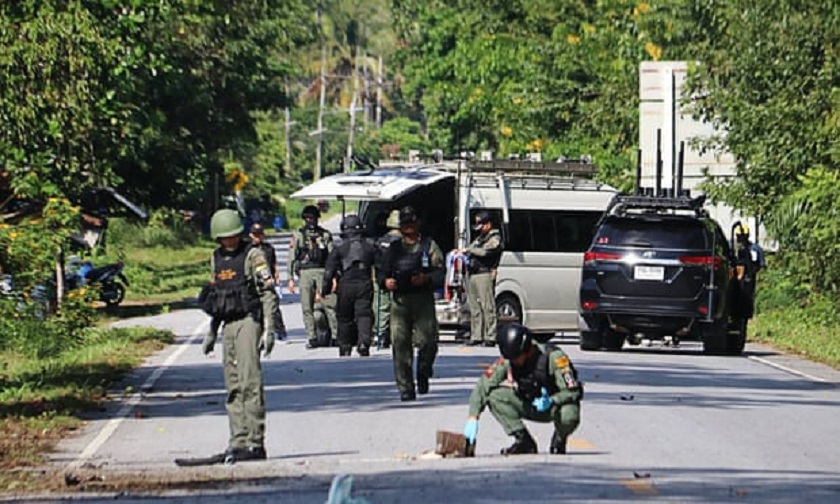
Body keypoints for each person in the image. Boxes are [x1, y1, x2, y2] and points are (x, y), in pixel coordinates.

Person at [200, 209, 277, 462]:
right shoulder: (216, 259)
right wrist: (211, 331)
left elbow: (267, 293)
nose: (229, 241)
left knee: (249, 381)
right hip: (227, 325)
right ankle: (238, 440)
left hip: (248, 321)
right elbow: (217, 297)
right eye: (224, 238)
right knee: (233, 385)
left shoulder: (253, 256)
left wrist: (269, 329)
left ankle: (255, 442)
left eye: (233, 236)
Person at [463, 323, 583, 455]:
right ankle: (524, 441)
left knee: (570, 413)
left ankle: (560, 437)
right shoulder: (510, 358)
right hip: (527, 403)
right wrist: (473, 417)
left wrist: (552, 400)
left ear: (527, 350)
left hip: (553, 407)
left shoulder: (555, 357)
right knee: (494, 396)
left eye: (516, 358)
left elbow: (573, 391)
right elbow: (483, 385)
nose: (513, 361)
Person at [379, 206, 445, 401]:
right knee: (400, 344)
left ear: (418, 224)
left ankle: (424, 372)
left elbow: (441, 272)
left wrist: (426, 278)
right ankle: (405, 387)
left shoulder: (428, 245)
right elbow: (382, 272)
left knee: (428, 342)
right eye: (404, 223)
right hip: (400, 301)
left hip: (422, 299)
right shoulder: (394, 249)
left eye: (411, 222)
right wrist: (385, 282)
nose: (408, 227)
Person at [323, 214, 377, 357]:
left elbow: (329, 272)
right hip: (364, 282)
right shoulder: (370, 246)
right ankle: (364, 342)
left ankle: (345, 346)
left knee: (344, 317)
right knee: (364, 313)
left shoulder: (339, 248)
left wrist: (325, 289)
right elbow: (382, 265)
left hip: (346, 284)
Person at [288, 204, 338, 348]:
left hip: (322, 271)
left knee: (329, 305)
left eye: (313, 218)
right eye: (308, 218)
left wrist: (333, 276)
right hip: (305, 273)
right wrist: (290, 278)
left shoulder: (325, 234)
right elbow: (292, 257)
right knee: (307, 306)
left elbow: (331, 256)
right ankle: (311, 337)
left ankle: (335, 336)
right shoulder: (299, 235)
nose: (311, 221)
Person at [461, 210, 503, 347]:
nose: (480, 228)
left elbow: (485, 252)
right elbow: (471, 247)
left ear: (488, 224)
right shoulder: (480, 237)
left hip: (484, 274)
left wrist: (469, 250)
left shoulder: (494, 238)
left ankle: (490, 336)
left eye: (482, 224)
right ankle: (476, 335)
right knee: (474, 307)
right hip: (473, 274)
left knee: (487, 306)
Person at [249, 223, 288, 341]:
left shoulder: (268, 248)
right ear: (250, 235)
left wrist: (277, 279)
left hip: (268, 281)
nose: (257, 237)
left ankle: (280, 331)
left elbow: (273, 264)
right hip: (253, 282)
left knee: (273, 307)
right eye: (255, 235)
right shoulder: (247, 249)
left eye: (259, 234)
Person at [373, 209, 402, 349]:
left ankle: (380, 335)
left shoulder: (381, 241)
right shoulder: (405, 241)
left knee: (382, 308)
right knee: (401, 307)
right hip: (400, 278)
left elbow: (376, 261)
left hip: (383, 278)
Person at [734, 223, 765, 319]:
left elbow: (760, 265)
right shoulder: (735, 249)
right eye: (739, 236)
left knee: (747, 299)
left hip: (748, 278)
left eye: (741, 236)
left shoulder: (755, 249)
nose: (740, 238)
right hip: (739, 278)